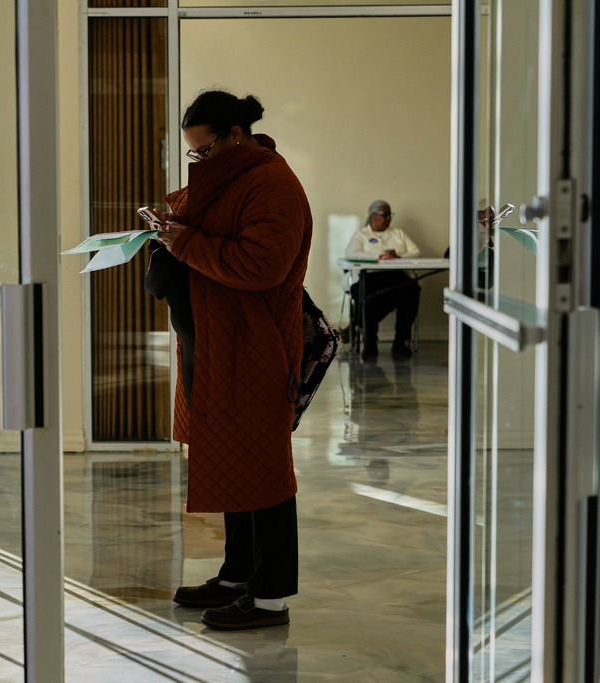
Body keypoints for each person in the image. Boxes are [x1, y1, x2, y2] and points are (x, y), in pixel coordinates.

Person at [143, 90, 312, 631]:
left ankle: (269, 599)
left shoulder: (273, 183)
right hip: (215, 344)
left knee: (264, 471)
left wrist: (184, 239)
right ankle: (238, 575)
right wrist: (165, 231)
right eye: (193, 155)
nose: (199, 162)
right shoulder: (230, 178)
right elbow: (204, 237)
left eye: (205, 150)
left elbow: (260, 264)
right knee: (233, 461)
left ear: (236, 135)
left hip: (253, 345)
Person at [345, 200, 421, 361]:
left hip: (396, 276)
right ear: (373, 215)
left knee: (412, 290)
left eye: (389, 215)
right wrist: (378, 257)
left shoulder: (398, 233)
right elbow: (351, 254)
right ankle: (370, 342)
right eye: (384, 214)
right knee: (366, 295)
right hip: (369, 276)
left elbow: (416, 253)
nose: (388, 219)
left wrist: (398, 256)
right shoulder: (362, 235)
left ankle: (400, 342)